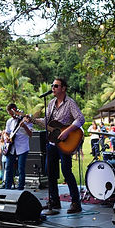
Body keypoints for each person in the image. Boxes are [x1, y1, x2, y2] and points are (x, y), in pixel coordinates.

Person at [38, 77, 85, 213]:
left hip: (65, 143)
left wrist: (67, 131)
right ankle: (54, 201)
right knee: (50, 172)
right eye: (52, 86)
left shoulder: (70, 103)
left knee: (66, 171)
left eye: (56, 86)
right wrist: (33, 120)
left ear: (63, 88)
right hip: (53, 143)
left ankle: (76, 203)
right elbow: (47, 121)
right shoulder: (51, 103)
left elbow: (80, 118)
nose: (53, 88)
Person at [3, 103, 33, 190]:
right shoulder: (9, 121)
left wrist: (25, 127)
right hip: (11, 148)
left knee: (21, 169)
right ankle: (7, 187)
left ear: (16, 111)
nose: (11, 116)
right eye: (9, 114)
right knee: (8, 168)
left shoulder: (26, 120)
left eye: (12, 113)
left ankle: (20, 187)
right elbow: (7, 132)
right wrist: (7, 137)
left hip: (22, 147)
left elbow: (30, 134)